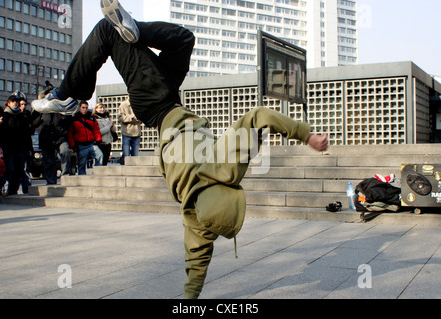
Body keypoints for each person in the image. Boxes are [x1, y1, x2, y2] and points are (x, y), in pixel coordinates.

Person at [32, 0, 329, 299]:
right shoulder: (194, 214)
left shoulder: (226, 167)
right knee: (183, 40)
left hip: (157, 101)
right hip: (167, 96)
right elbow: (197, 263)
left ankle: (68, 94)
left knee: (109, 31)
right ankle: (134, 33)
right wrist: (189, 301)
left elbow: (260, 117)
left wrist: (308, 136)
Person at [1, 91, 32, 195]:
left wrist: (28, 148)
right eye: (13, 101)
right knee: (10, 169)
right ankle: (3, 189)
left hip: (20, 148)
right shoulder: (4, 116)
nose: (15, 103)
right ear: (8, 103)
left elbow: (27, 134)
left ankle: (13, 191)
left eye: (17, 101)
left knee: (19, 170)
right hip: (9, 148)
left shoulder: (21, 117)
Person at [67, 101, 103, 175]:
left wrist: (98, 139)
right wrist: (73, 145)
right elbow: (70, 133)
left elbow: (96, 130)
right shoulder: (74, 119)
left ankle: (98, 173)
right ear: (79, 108)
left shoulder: (92, 118)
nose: (85, 109)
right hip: (81, 145)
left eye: (86, 108)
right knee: (82, 164)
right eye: (83, 108)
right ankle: (82, 179)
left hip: (91, 143)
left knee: (100, 155)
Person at [118, 97, 141, 165]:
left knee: (135, 156)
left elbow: (142, 117)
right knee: (126, 155)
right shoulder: (123, 105)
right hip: (126, 133)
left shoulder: (138, 104)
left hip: (137, 133)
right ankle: (124, 169)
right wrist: (130, 117)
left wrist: (136, 117)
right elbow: (120, 118)